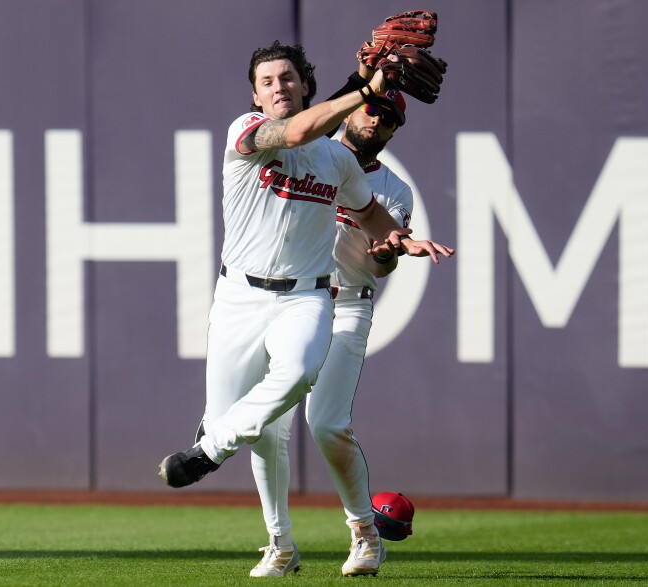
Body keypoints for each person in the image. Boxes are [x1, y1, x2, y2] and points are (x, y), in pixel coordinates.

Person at [157, 41, 453, 576]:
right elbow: (294, 132)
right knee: (264, 430)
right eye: (268, 80)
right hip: (238, 299)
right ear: (255, 94)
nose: (278, 86)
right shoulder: (246, 132)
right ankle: (282, 544)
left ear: (306, 86)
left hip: (310, 296)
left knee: (298, 382)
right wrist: (365, 83)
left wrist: (400, 242)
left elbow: (371, 217)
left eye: (288, 78)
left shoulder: (340, 162)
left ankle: (214, 446)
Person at [250, 77, 425, 576]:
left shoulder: (392, 188)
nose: (377, 120)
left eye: (389, 117)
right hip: (287, 299)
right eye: (372, 108)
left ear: (395, 130)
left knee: (325, 423)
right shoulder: (307, 153)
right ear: (351, 108)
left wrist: (387, 254)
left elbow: (383, 266)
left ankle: (367, 536)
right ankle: (279, 544)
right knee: (266, 425)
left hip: (347, 302)